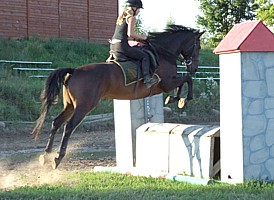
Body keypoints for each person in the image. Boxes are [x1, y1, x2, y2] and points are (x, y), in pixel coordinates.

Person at [109, 0, 157, 89]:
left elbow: (123, 34)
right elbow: (130, 34)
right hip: (122, 47)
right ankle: (147, 79)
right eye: (138, 9)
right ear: (133, 8)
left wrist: (135, 39)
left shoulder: (121, 18)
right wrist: (143, 37)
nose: (139, 11)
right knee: (144, 56)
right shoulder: (131, 18)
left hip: (113, 46)